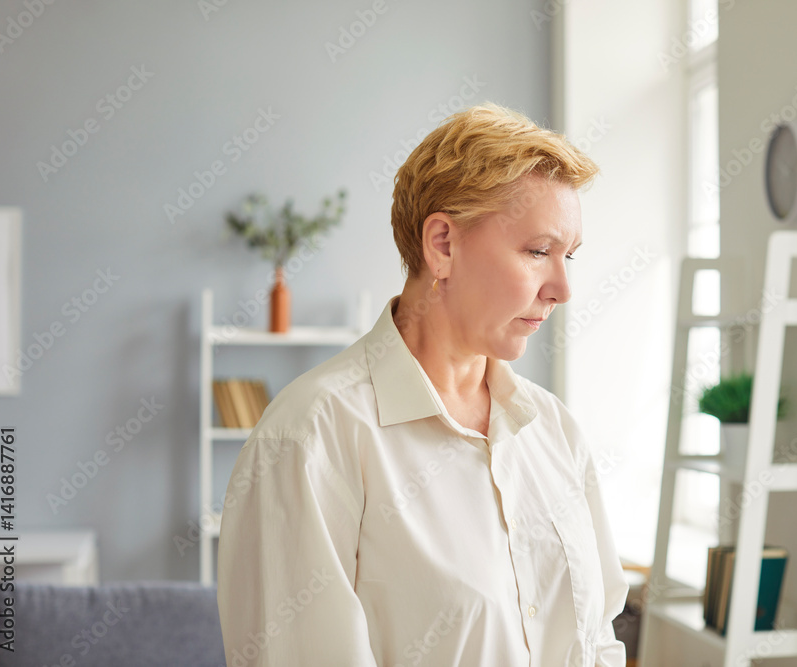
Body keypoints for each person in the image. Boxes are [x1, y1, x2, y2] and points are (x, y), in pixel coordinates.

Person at [216, 102, 629, 666]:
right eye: (538, 251)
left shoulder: (554, 430)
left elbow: (598, 638)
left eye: (569, 256)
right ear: (443, 245)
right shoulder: (311, 437)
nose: (562, 288)